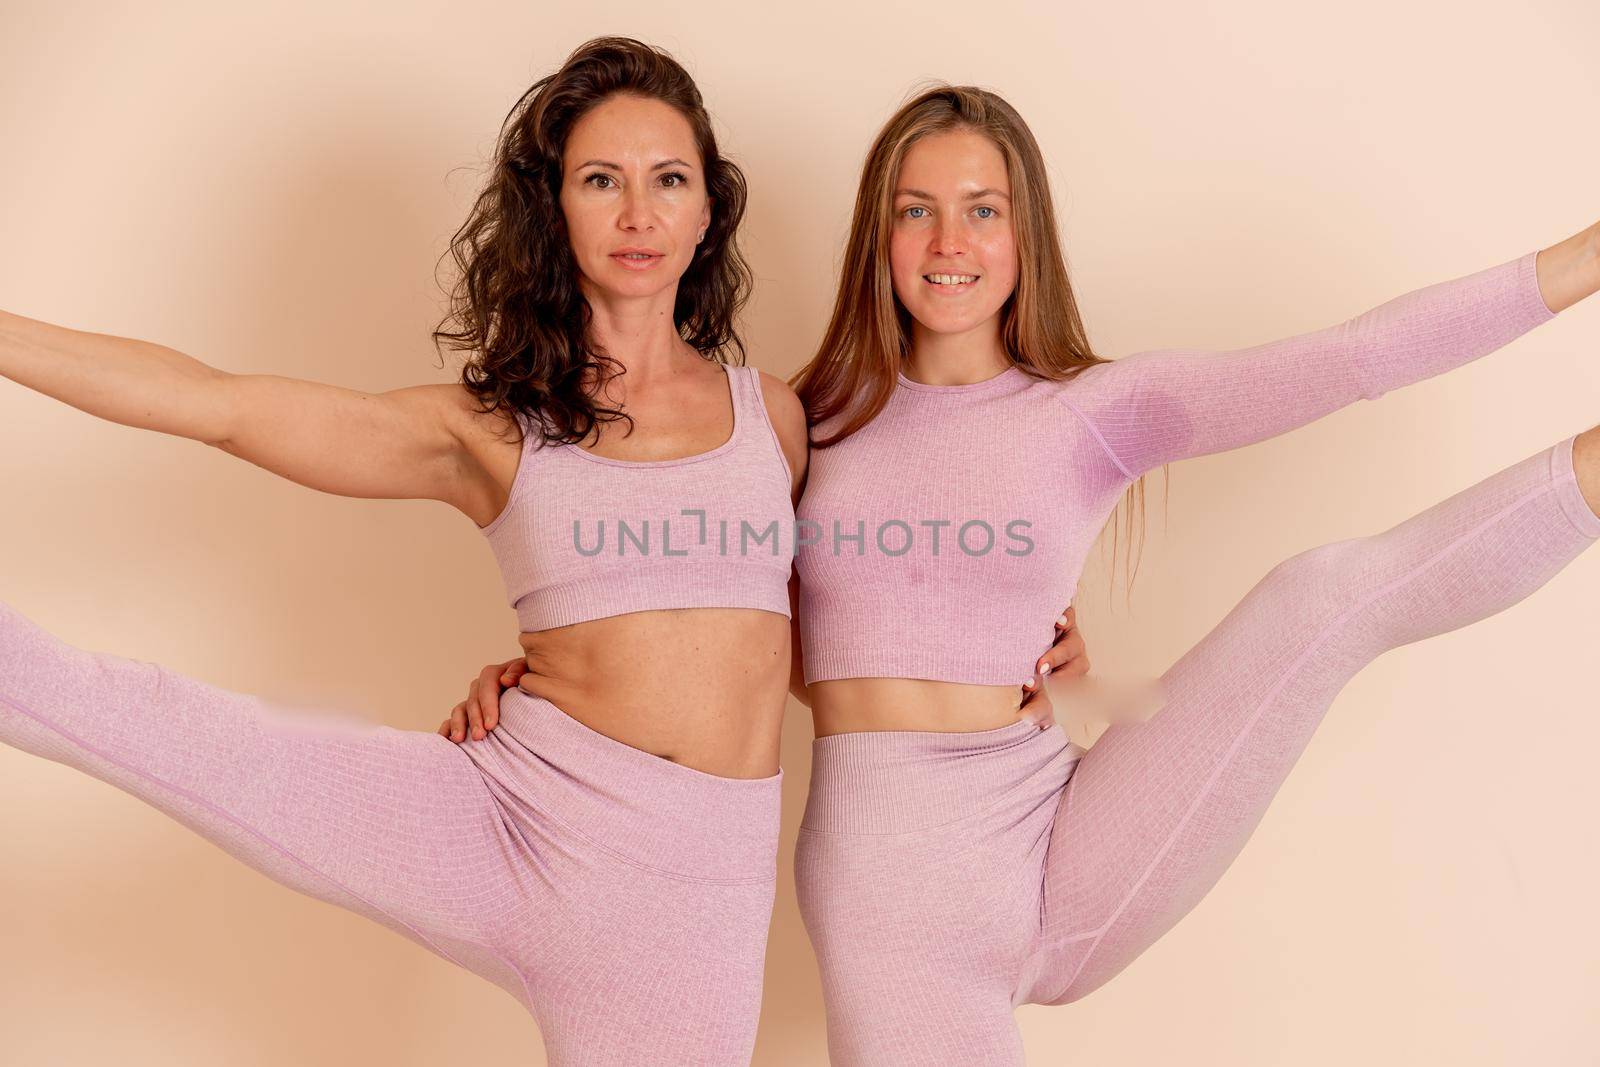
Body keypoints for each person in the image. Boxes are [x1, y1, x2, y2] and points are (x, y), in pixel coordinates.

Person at [455, 83, 1600, 1066]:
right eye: (918, 212)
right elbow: (708, 613)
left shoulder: (1096, 413)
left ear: (1023, 234)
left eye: (981, 211)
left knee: (1319, 594)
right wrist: (555, 678)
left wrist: (1582, 259)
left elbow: (1351, 360)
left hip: (1063, 822)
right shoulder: (798, 422)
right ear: (880, 235)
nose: (949, 242)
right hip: (892, 882)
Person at [2, 35, 807, 1067]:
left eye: (669, 180)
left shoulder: (774, 418)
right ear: (554, 208)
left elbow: (833, 622)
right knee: (148, 717)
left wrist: (1020, 637)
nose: (638, 212)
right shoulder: (494, 428)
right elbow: (218, 406)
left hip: (688, 893)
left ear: (707, 210)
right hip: (508, 813)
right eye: (600, 179)